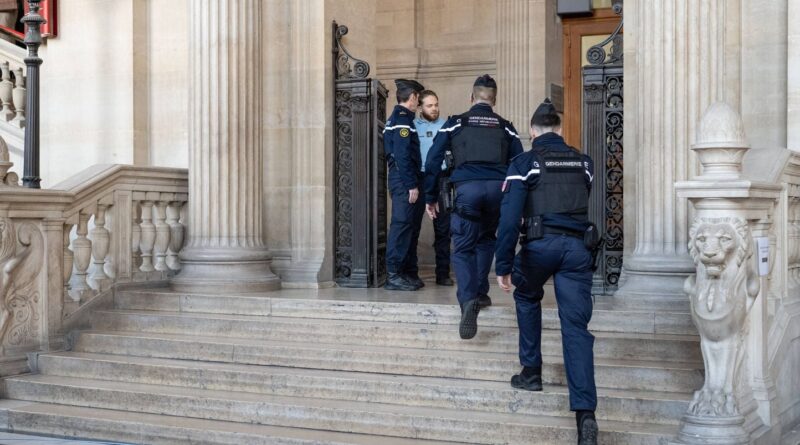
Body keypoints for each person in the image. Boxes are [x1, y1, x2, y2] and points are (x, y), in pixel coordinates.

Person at [494, 99, 598, 445]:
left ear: (533, 131)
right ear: (559, 129)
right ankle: (585, 415)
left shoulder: (524, 163)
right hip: (577, 251)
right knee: (576, 326)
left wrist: (504, 265)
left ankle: (531, 371)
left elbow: (509, 219)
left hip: (540, 248)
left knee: (526, 293)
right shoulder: (585, 163)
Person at [423, 74, 524, 339]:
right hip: (497, 192)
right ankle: (480, 292)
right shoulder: (506, 127)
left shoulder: (455, 123)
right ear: (494, 100)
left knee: (464, 246)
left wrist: (430, 197)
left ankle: (468, 299)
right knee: (486, 239)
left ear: (471, 97)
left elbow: (433, 161)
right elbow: (520, 165)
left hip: (466, 189)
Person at [384, 79, 426, 291]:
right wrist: (411, 184)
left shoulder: (403, 118)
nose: (418, 101)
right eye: (418, 97)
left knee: (409, 226)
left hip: (404, 178)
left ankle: (405, 272)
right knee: (401, 226)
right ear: (412, 97)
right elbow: (401, 155)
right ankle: (393, 275)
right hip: (403, 179)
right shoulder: (402, 119)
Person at [414, 90, 453, 286]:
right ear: (420, 107)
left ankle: (443, 273)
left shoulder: (447, 125)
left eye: (436, 104)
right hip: (419, 179)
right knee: (412, 226)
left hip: (442, 179)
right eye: (430, 105)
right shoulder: (413, 126)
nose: (434, 108)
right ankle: (410, 272)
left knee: (443, 229)